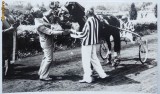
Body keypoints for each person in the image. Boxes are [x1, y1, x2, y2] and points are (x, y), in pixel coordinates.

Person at [70, 7, 107, 83]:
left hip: (86, 44)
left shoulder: (88, 21)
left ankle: (87, 78)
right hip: (93, 43)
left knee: (86, 61)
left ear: (87, 12)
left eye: (85, 11)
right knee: (94, 59)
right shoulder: (96, 20)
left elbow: (84, 34)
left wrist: (74, 34)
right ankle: (102, 74)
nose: (84, 12)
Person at [35, 7, 70, 81]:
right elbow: (50, 32)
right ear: (36, 14)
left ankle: (41, 72)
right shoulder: (39, 25)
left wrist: (52, 8)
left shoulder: (39, 19)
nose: (41, 11)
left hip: (46, 41)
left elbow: (47, 14)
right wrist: (63, 32)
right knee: (49, 59)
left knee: (45, 58)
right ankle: (44, 76)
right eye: (39, 11)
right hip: (46, 42)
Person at [2, 4, 20, 78]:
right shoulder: (1, 19)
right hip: (3, 41)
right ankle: (2, 74)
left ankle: (9, 73)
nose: (8, 10)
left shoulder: (9, 18)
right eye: (6, 9)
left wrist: (17, 25)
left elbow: (13, 28)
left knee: (10, 56)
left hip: (10, 40)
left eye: (8, 9)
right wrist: (9, 29)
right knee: (2, 58)